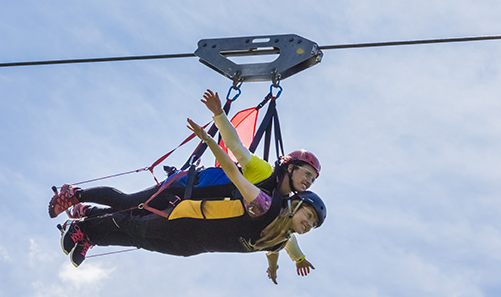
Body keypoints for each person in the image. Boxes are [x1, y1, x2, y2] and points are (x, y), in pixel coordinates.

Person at [49, 89, 321, 283]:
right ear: (290, 166)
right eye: (306, 174)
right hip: (186, 191)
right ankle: (75, 195)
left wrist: (294, 260)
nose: (308, 181)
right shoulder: (264, 173)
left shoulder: (281, 208)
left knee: (135, 224)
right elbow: (237, 149)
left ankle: (88, 218)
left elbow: (281, 237)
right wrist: (218, 116)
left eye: (312, 179)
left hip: (198, 218)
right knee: (130, 205)